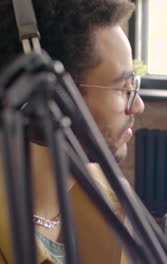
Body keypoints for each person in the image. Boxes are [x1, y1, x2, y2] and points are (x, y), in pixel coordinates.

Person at [0, 0, 144, 263]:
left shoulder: (111, 195)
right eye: (123, 87)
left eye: (134, 84)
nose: (138, 105)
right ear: (45, 97)